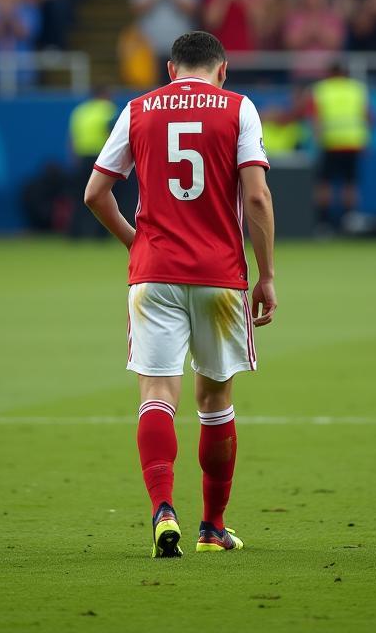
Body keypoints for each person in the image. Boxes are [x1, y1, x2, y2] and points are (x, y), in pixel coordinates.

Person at [82, 30, 275, 558]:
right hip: (219, 276)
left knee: (156, 396)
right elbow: (256, 197)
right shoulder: (239, 109)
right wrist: (267, 275)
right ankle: (212, 528)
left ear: (170, 70)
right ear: (223, 69)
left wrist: (135, 243)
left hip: (155, 275)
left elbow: (96, 193)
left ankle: (163, 509)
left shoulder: (138, 108)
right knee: (214, 402)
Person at [310, 64, 371, 228]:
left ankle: (324, 223)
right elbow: (368, 116)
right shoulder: (357, 89)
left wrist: (317, 139)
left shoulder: (321, 89)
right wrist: (365, 140)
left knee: (324, 183)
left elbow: (316, 117)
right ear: (345, 72)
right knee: (350, 184)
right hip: (353, 142)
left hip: (331, 142)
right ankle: (349, 221)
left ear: (329, 73)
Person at [68, 88, 118, 239]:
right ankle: (101, 233)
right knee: (103, 196)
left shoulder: (80, 111)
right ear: (105, 95)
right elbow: (114, 135)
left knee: (80, 196)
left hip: (82, 157)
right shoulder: (108, 110)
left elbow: (71, 138)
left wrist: (74, 158)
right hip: (102, 159)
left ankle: (75, 232)